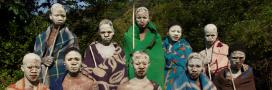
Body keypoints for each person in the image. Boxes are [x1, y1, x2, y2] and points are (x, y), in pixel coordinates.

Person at [33, 3, 78, 88]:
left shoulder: (71, 37)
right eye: (57, 15)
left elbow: (76, 61)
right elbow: (33, 59)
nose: (60, 18)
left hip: (62, 77)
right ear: (51, 16)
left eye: (63, 16)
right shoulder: (40, 37)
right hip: (42, 77)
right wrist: (42, 60)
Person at [123, 6, 165, 88]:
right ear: (135, 19)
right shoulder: (128, 36)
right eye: (139, 18)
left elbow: (159, 59)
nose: (142, 20)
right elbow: (126, 57)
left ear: (149, 18)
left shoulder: (156, 37)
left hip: (154, 72)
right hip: (135, 72)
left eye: (144, 17)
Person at [81, 19, 128, 90]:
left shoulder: (119, 51)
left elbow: (124, 73)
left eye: (109, 32)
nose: (106, 35)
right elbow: (85, 70)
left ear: (113, 32)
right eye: (103, 32)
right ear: (99, 33)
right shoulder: (91, 50)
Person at [163, 24, 192, 90]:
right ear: (167, 32)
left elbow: (190, 61)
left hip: (181, 77)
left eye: (179, 32)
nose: (176, 34)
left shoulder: (185, 46)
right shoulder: (161, 46)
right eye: (173, 31)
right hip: (164, 77)